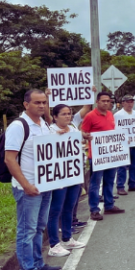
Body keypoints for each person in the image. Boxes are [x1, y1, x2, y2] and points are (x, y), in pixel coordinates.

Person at [3, 89, 62, 270]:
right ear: (26, 104)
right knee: (26, 231)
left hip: (45, 185)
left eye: (44, 102)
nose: (41, 106)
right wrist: (26, 185)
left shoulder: (44, 124)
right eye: (37, 102)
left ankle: (37, 264)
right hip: (27, 188)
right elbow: (9, 159)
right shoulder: (18, 126)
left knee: (38, 227)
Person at [46, 104, 88, 257]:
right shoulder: (49, 130)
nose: (67, 116)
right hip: (58, 177)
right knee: (55, 209)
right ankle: (53, 243)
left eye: (69, 113)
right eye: (63, 114)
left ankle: (67, 238)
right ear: (55, 117)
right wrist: (57, 136)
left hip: (74, 174)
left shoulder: (73, 129)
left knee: (69, 207)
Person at [81, 91, 126, 220]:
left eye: (108, 101)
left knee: (109, 181)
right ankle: (94, 210)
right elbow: (83, 131)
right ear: (97, 102)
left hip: (110, 155)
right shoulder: (90, 116)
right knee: (95, 183)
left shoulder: (110, 114)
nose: (106, 103)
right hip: (96, 156)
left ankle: (109, 205)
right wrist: (85, 136)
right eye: (103, 101)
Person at [115, 95, 135, 195]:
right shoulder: (118, 115)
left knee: (134, 165)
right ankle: (120, 186)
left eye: (131, 101)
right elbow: (115, 129)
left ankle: (132, 184)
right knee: (122, 166)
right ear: (123, 103)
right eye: (127, 102)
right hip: (123, 144)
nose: (130, 103)